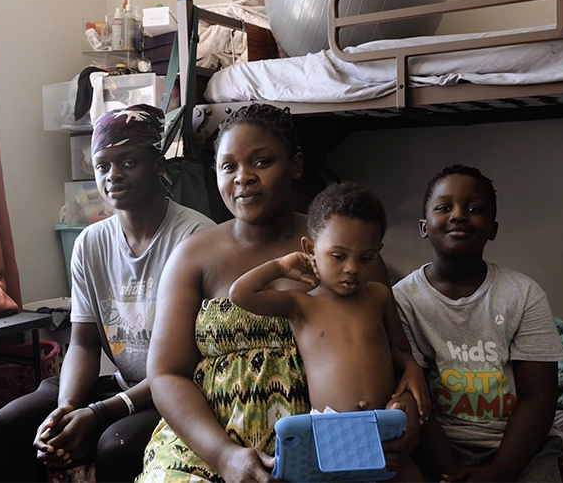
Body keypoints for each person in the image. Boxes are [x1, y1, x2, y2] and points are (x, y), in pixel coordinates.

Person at [137, 103, 422, 483]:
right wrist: (223, 455)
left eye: (261, 162)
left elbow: (392, 354)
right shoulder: (192, 256)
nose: (243, 178)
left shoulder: (346, 247)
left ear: (296, 166)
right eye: (228, 167)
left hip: (323, 448)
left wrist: (403, 416)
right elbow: (165, 374)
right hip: (206, 447)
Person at [0, 104, 214, 483]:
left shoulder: (195, 240)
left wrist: (103, 412)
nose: (113, 176)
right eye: (103, 165)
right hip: (123, 384)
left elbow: (186, 363)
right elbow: (85, 344)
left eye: (128, 162)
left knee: (116, 444)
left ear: (159, 166)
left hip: (179, 389)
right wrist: (68, 409)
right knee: (6, 426)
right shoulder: (90, 243)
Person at [229, 182, 428, 482]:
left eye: (365, 258)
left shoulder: (379, 295)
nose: (352, 269)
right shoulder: (301, 305)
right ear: (310, 249)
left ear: (378, 253)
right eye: (338, 256)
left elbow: (398, 349)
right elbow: (240, 293)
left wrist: (411, 367)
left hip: (383, 424)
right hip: (330, 430)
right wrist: (282, 266)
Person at [392, 164, 563, 483]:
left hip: (518, 446)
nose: (459, 215)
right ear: (424, 226)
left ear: (493, 228)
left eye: (474, 209)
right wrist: (451, 472)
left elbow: (538, 397)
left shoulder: (523, 293)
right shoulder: (402, 300)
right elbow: (416, 399)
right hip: (435, 446)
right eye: (444, 208)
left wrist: (500, 471)